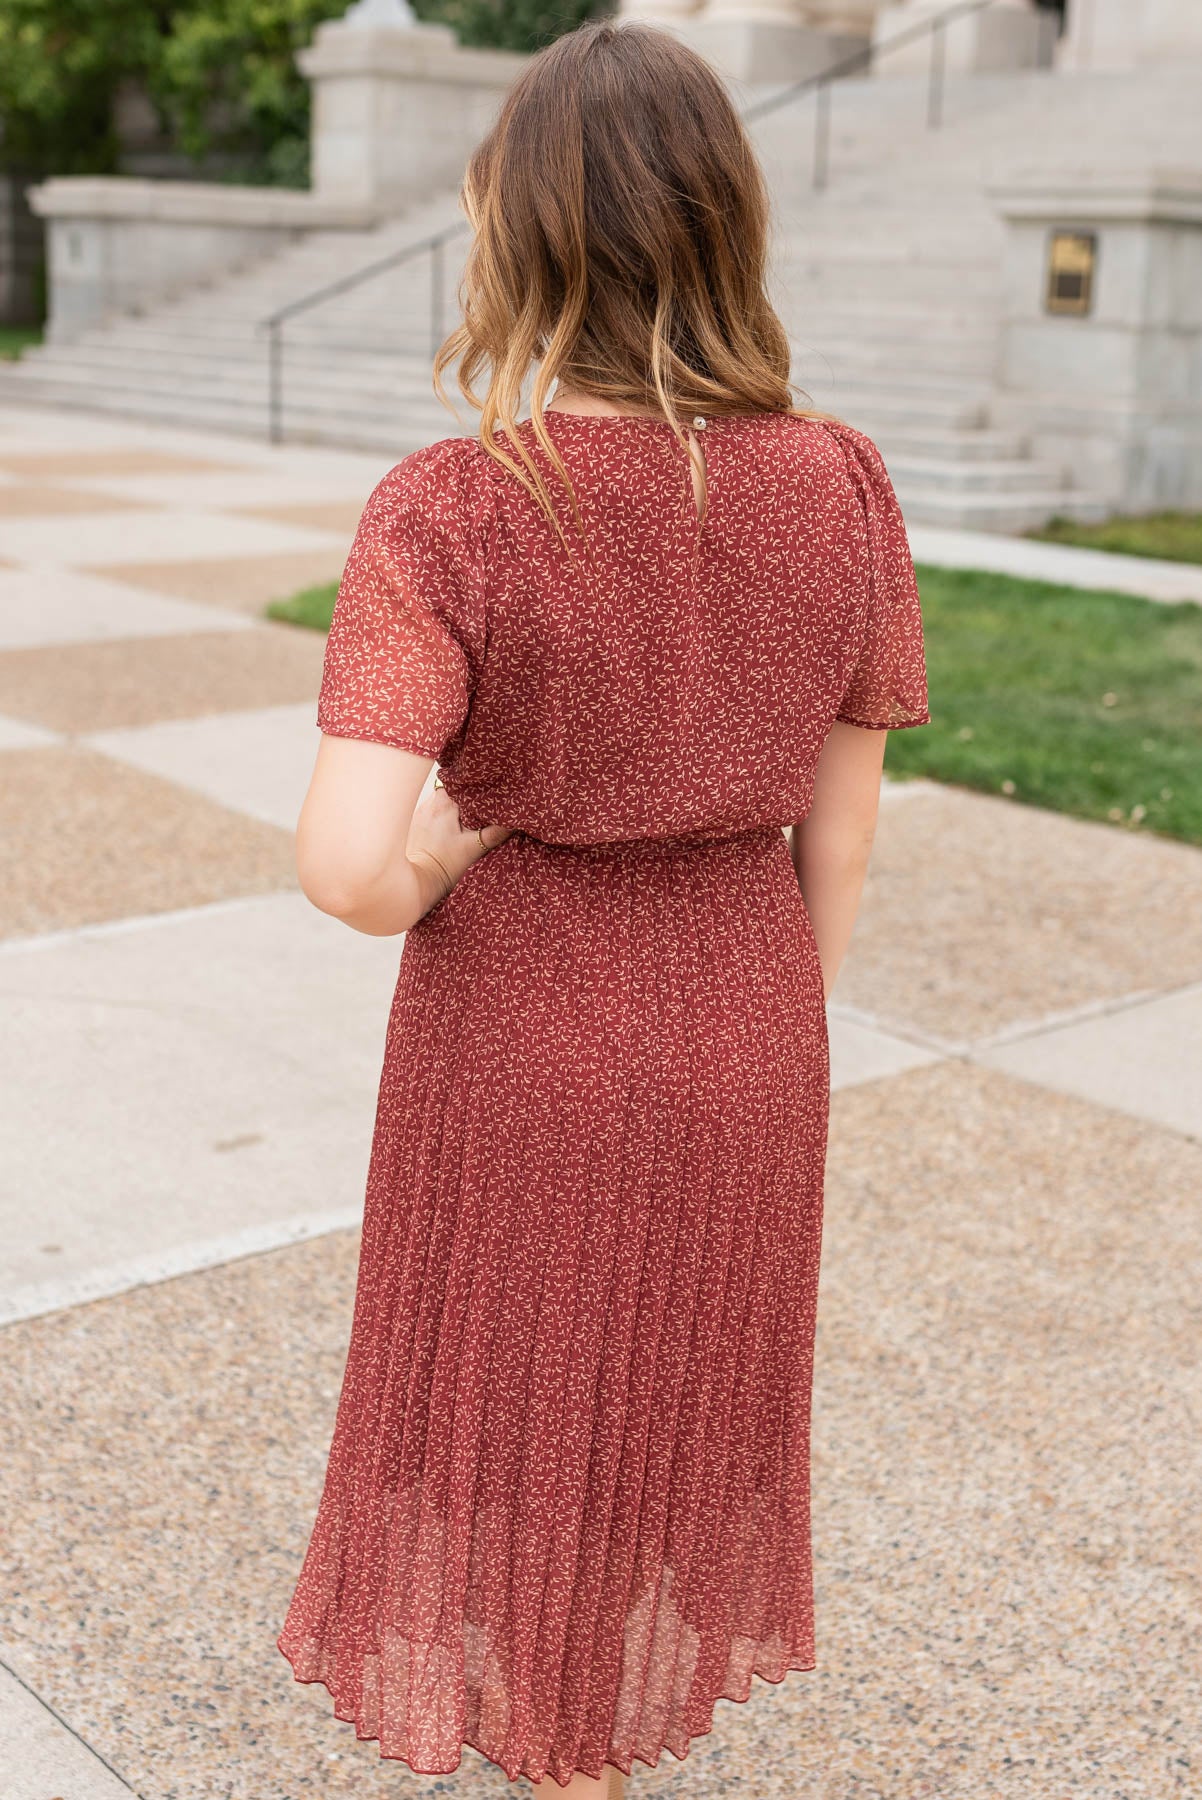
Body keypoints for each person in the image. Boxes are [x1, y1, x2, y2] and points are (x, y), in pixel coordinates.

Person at [276, 16, 931, 1797]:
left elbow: (348, 863)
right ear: (723, 220)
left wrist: (451, 852)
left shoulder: (454, 510)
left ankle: (559, 1760)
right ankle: (593, 1744)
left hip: (523, 1019)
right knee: (658, 1412)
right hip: (746, 1014)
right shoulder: (841, 481)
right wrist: (770, 1017)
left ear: (518, 226)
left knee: (511, 1415)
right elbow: (844, 833)